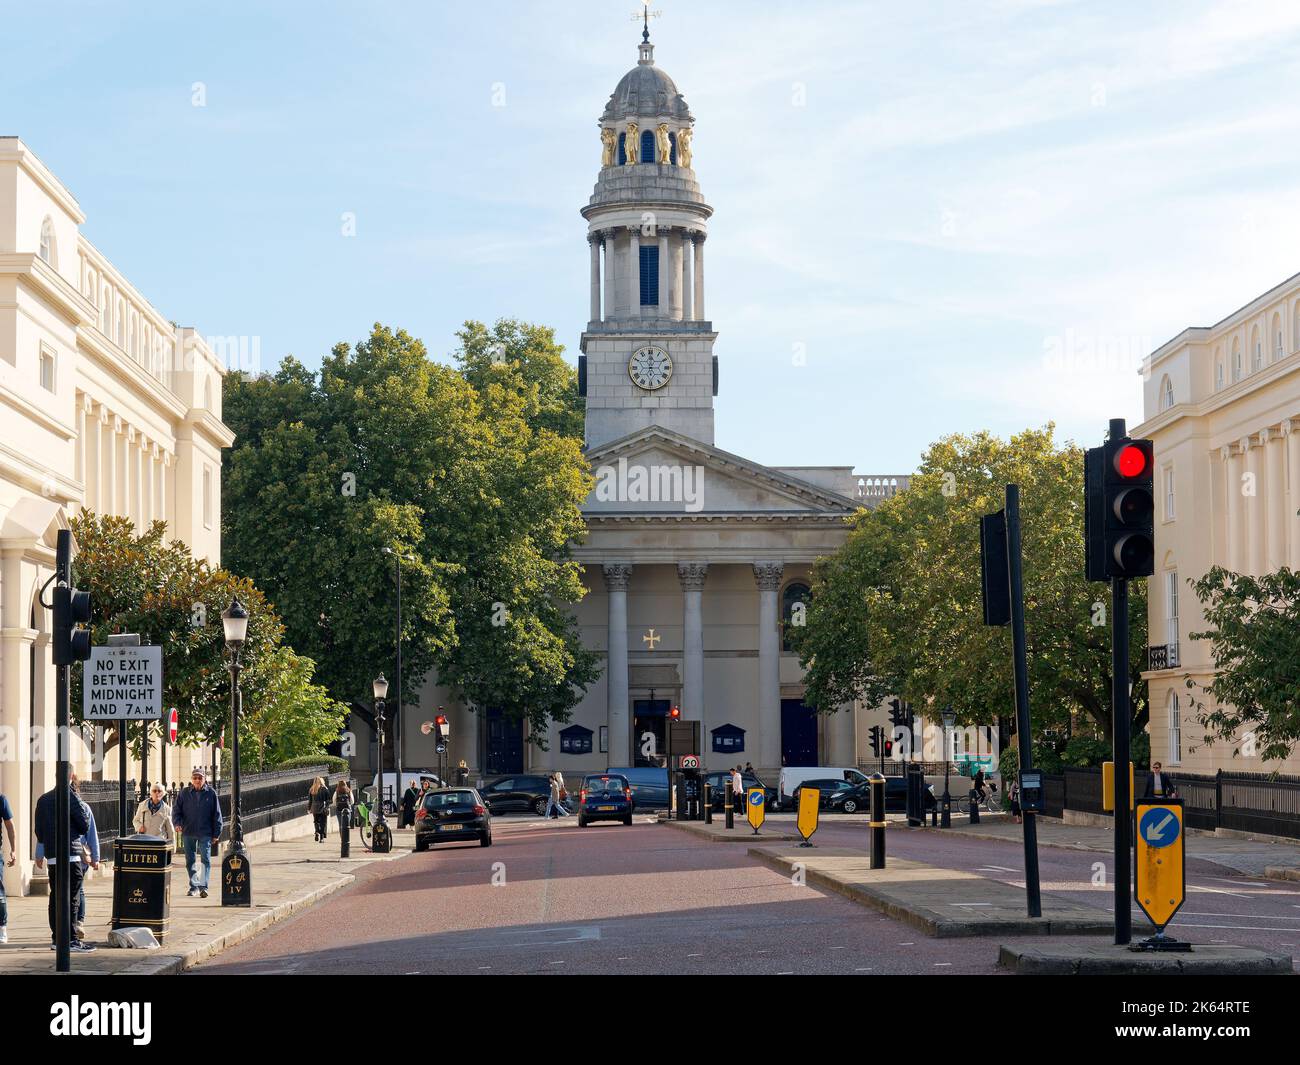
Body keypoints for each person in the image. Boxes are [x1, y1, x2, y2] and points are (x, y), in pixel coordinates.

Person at [33, 776, 95, 952]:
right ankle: (72, 939)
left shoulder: (43, 799)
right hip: (71, 854)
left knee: (55, 897)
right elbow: (84, 825)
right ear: (70, 777)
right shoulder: (71, 796)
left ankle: (56, 938)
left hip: (53, 856)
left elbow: (39, 831)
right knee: (72, 898)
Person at [172, 767, 222, 898]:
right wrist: (177, 824)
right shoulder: (184, 793)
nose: (197, 780)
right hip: (188, 831)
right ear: (191, 779)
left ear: (204, 779)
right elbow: (176, 811)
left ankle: (203, 886)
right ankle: (194, 886)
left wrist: (216, 833)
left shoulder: (211, 793)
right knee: (190, 860)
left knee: (205, 859)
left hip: (205, 832)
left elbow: (217, 814)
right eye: (195, 778)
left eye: (200, 778)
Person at [0, 792, 14, 944]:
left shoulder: (1, 799)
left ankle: (2, 927)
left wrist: (13, 849)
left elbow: (10, 825)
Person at [307, 776, 331, 842]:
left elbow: (310, 801)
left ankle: (317, 831)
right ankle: (321, 838)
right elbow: (328, 800)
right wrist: (327, 806)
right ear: (320, 781)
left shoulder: (311, 789)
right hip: (322, 807)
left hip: (314, 807)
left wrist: (309, 808)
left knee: (316, 821)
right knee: (323, 822)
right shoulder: (324, 789)